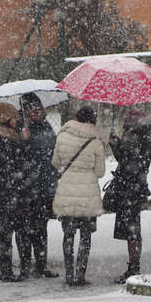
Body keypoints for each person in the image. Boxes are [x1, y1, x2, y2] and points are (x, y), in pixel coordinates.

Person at [52, 106, 106, 286]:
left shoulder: (62, 135)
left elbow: (56, 162)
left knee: (68, 235)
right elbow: (100, 172)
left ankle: (68, 274)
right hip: (87, 195)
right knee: (85, 236)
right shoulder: (96, 140)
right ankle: (80, 274)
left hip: (67, 190)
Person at [0, 102, 29, 282]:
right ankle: (6, 271)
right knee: (9, 230)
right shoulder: (3, 140)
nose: (17, 120)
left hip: (9, 191)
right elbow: (9, 165)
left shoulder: (8, 138)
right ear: (6, 118)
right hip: (9, 191)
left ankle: (9, 269)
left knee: (10, 230)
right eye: (14, 117)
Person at [109, 109, 151, 284]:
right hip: (136, 188)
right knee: (133, 228)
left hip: (129, 189)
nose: (124, 123)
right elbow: (135, 161)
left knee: (132, 230)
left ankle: (133, 268)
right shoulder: (146, 138)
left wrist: (115, 143)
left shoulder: (134, 137)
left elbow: (126, 160)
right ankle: (133, 266)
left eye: (126, 121)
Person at [19, 92, 59, 278]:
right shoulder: (22, 129)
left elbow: (52, 150)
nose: (38, 113)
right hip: (27, 185)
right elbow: (18, 157)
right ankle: (26, 264)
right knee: (26, 226)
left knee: (41, 225)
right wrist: (23, 141)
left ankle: (41, 265)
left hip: (45, 184)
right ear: (26, 113)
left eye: (39, 109)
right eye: (33, 110)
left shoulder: (46, 127)